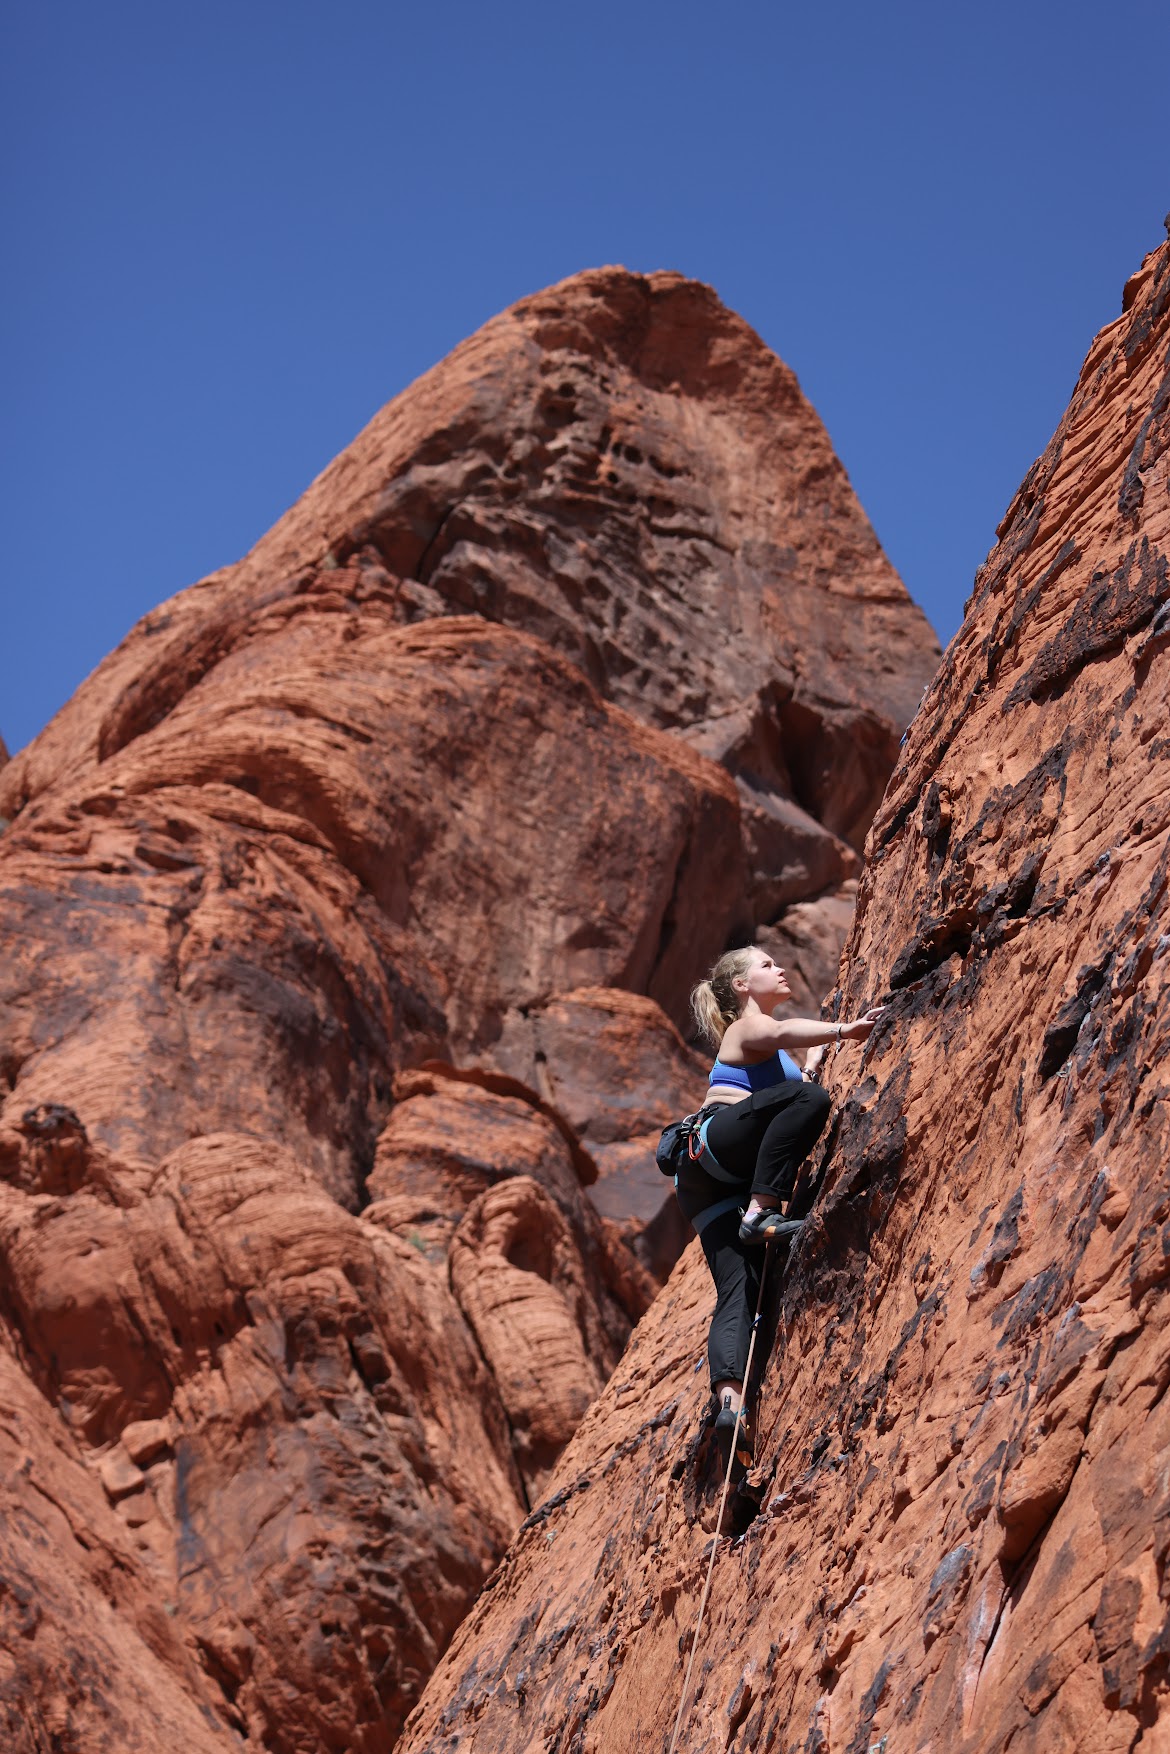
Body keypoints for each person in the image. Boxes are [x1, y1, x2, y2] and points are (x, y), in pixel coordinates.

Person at [678, 945, 884, 1476]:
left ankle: (729, 1404)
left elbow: (781, 1101)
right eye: (766, 965)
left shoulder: (780, 1058)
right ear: (742, 987)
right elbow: (780, 1038)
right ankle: (760, 1213)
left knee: (739, 1287)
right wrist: (845, 1032)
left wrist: (811, 1067)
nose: (780, 969)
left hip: (706, 1185)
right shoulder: (746, 1029)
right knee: (812, 1103)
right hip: (718, 1147)